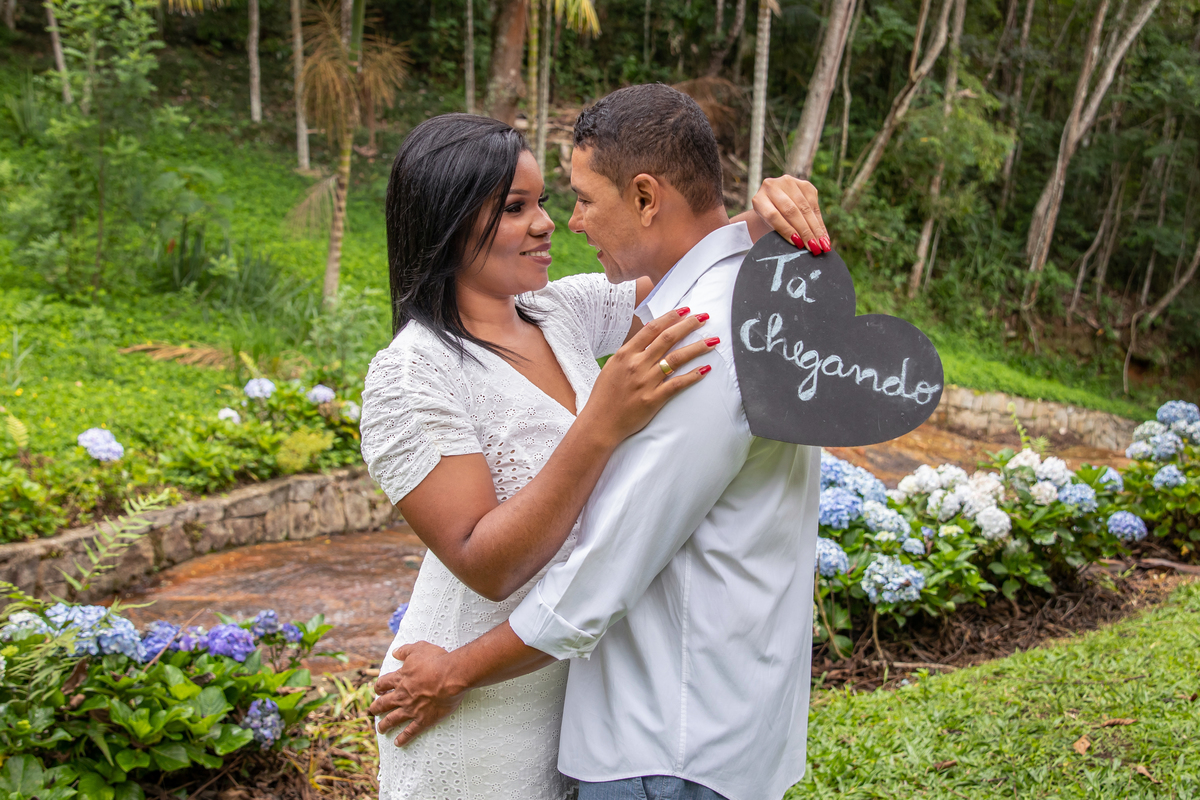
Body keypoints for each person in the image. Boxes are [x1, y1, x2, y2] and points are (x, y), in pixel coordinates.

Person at [360, 104, 828, 800]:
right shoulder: (411, 374)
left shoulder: (558, 313)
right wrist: (599, 424)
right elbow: (485, 563)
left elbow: (682, 257)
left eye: (548, 200)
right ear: (449, 221)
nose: (551, 222)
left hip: (575, 686)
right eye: (517, 207)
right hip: (468, 689)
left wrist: (772, 210)